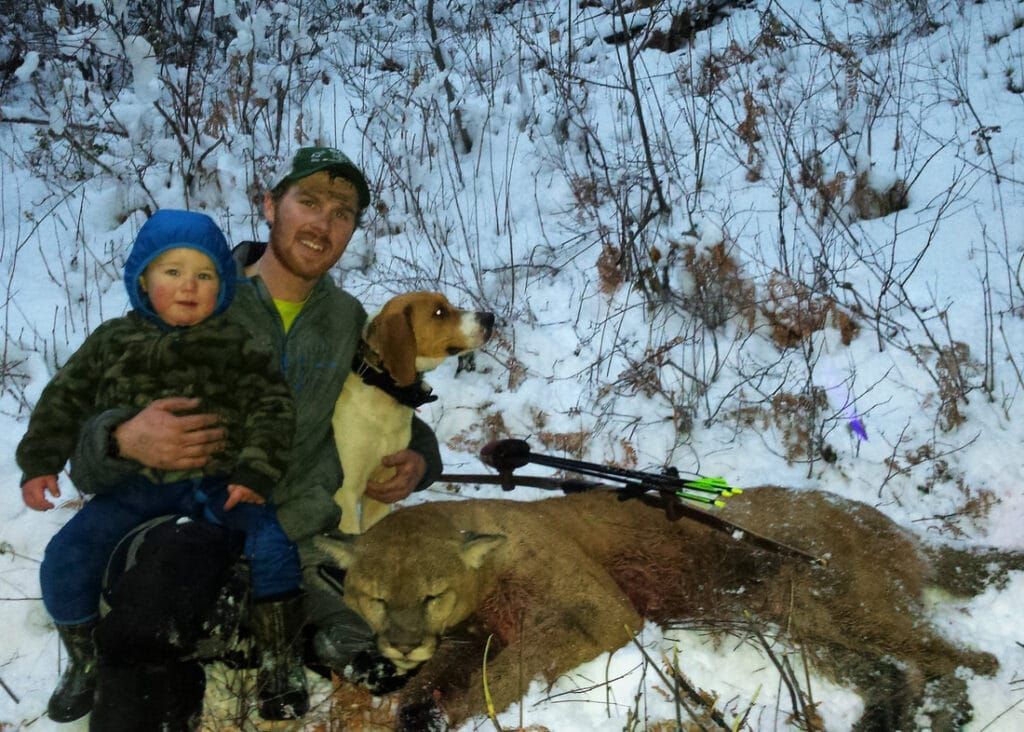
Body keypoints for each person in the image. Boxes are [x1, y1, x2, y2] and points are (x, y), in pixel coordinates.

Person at [67, 148, 443, 710]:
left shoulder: (346, 321)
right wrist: (120, 437)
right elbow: (84, 446)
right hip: (190, 528)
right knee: (144, 641)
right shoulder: (196, 298)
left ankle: (288, 645)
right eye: (308, 202)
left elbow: (388, 403)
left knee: (391, 660)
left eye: (342, 213)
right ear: (270, 206)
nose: (322, 223)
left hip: (303, 538)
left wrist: (421, 460)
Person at [16, 209, 315, 722]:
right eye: (171, 272)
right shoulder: (112, 341)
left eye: (204, 274)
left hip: (217, 486)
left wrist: (254, 472)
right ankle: (85, 661)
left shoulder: (238, 345)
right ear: (142, 279)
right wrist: (40, 461)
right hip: (132, 489)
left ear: (222, 284)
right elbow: (63, 399)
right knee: (66, 555)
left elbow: (272, 408)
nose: (188, 286)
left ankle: (279, 660)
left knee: (272, 546)